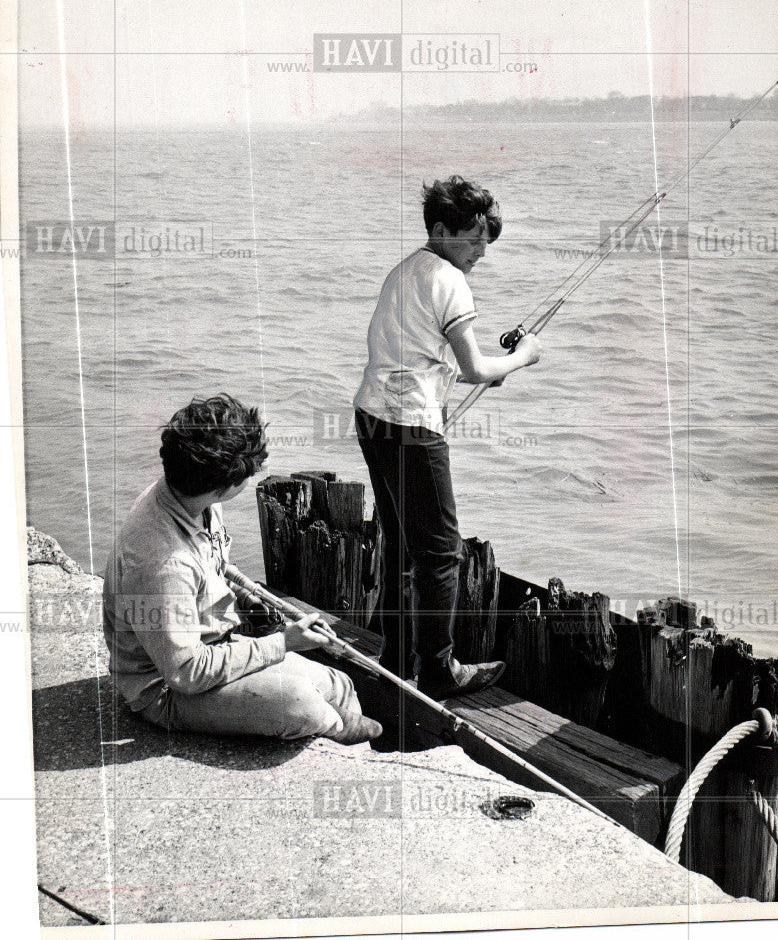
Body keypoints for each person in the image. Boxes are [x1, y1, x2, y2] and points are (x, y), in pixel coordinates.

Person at [353, 175, 542, 699]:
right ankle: (437, 671)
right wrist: (523, 356)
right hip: (412, 426)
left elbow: (411, 351)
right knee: (440, 556)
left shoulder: (403, 271)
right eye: (474, 238)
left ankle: (395, 658)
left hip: (372, 415)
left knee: (397, 543)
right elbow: (477, 366)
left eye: (487, 239)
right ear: (440, 229)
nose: (482, 250)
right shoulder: (451, 280)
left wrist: (470, 371)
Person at [103, 393, 382, 745]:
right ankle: (336, 731)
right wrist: (284, 642)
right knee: (302, 704)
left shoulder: (192, 499)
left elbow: (212, 567)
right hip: (166, 689)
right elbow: (187, 673)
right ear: (224, 486)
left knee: (338, 683)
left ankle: (351, 740)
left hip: (213, 644)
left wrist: (245, 595)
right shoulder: (163, 563)